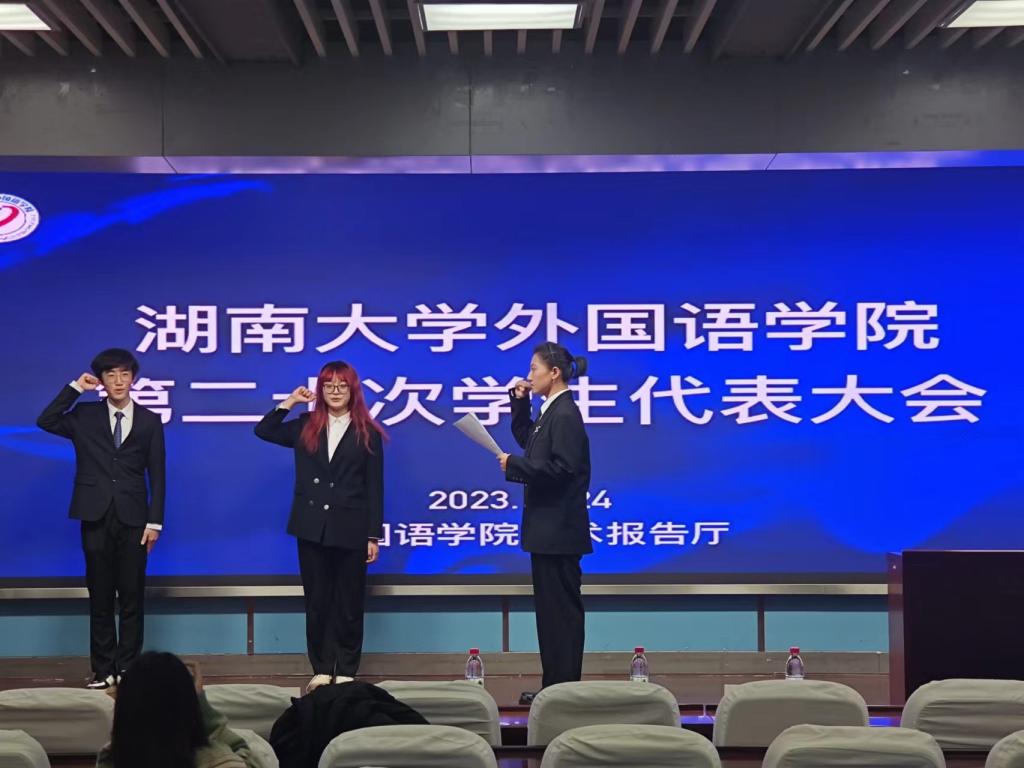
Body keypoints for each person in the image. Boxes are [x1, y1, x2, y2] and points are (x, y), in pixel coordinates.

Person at [37, 348, 165, 690]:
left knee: (132, 597)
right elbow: (46, 420)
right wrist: (75, 388)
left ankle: (128, 669)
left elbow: (158, 474)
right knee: (101, 596)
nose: (118, 381)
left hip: (135, 518)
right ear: (102, 380)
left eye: (124, 374)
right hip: (94, 514)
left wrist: (155, 522)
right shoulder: (85, 415)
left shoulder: (150, 420)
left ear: (133, 378)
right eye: (111, 375)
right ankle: (103, 670)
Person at [255, 361, 385, 694]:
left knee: (349, 603)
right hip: (311, 525)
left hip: (352, 526)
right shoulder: (306, 424)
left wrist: (373, 535)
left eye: (342, 386)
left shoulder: (367, 431)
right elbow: (264, 430)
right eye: (329, 386)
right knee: (317, 601)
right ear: (321, 390)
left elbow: (375, 487)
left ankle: (347, 670)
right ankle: (323, 668)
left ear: (353, 390)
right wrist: (290, 401)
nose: (335, 392)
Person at [499, 342, 592, 689]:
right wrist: (519, 402)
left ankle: (563, 687)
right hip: (547, 531)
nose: (529, 375)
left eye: (534, 369)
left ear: (554, 373)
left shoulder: (565, 414)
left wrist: (514, 464)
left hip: (559, 531)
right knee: (551, 616)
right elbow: (530, 442)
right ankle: (553, 685)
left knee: (561, 615)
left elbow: (564, 469)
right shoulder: (551, 410)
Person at [97, 651, 259, 768]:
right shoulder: (221, 760)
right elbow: (246, 755)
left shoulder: (109, 760)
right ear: (190, 708)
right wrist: (199, 700)